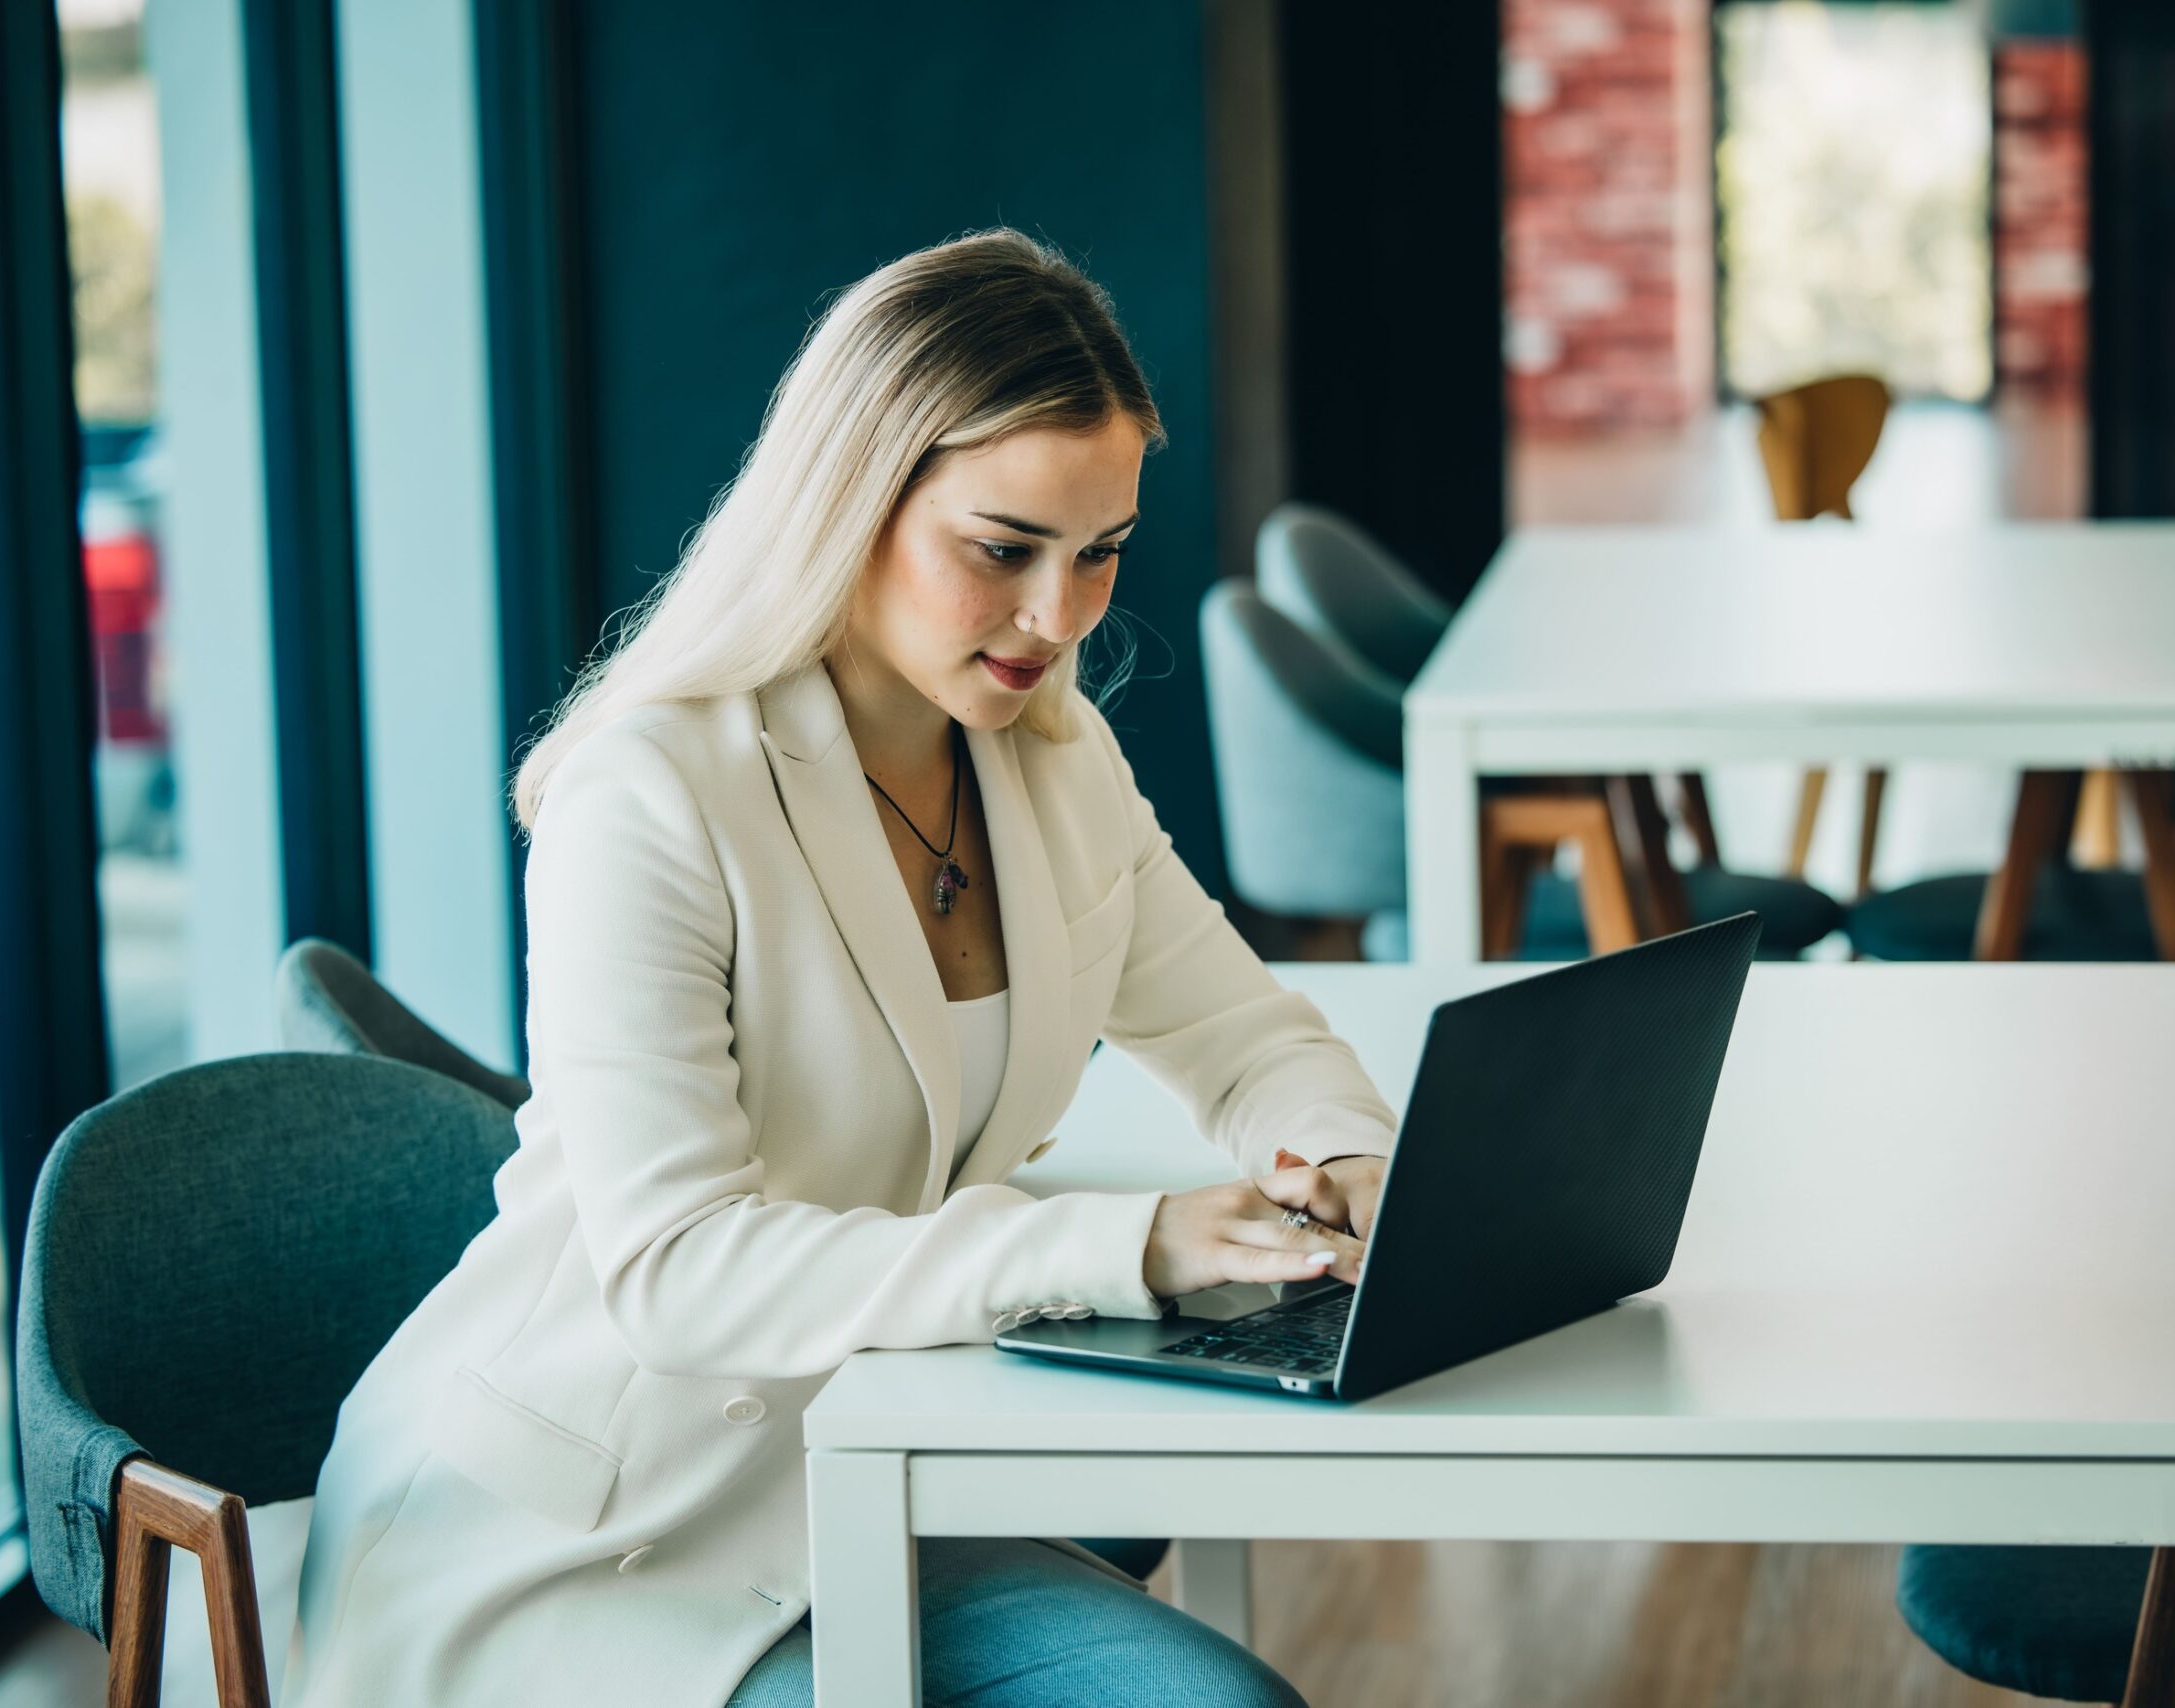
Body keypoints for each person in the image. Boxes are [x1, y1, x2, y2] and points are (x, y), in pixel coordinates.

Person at [284, 228, 1399, 1707]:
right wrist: (1120, 1249)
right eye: (1003, 550)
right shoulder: (654, 794)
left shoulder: (1056, 759)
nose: (1058, 619)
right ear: (849, 502)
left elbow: (1240, 1028)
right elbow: (680, 1276)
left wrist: (1351, 1157)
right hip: (576, 1545)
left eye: (1101, 552)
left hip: (856, 1482)